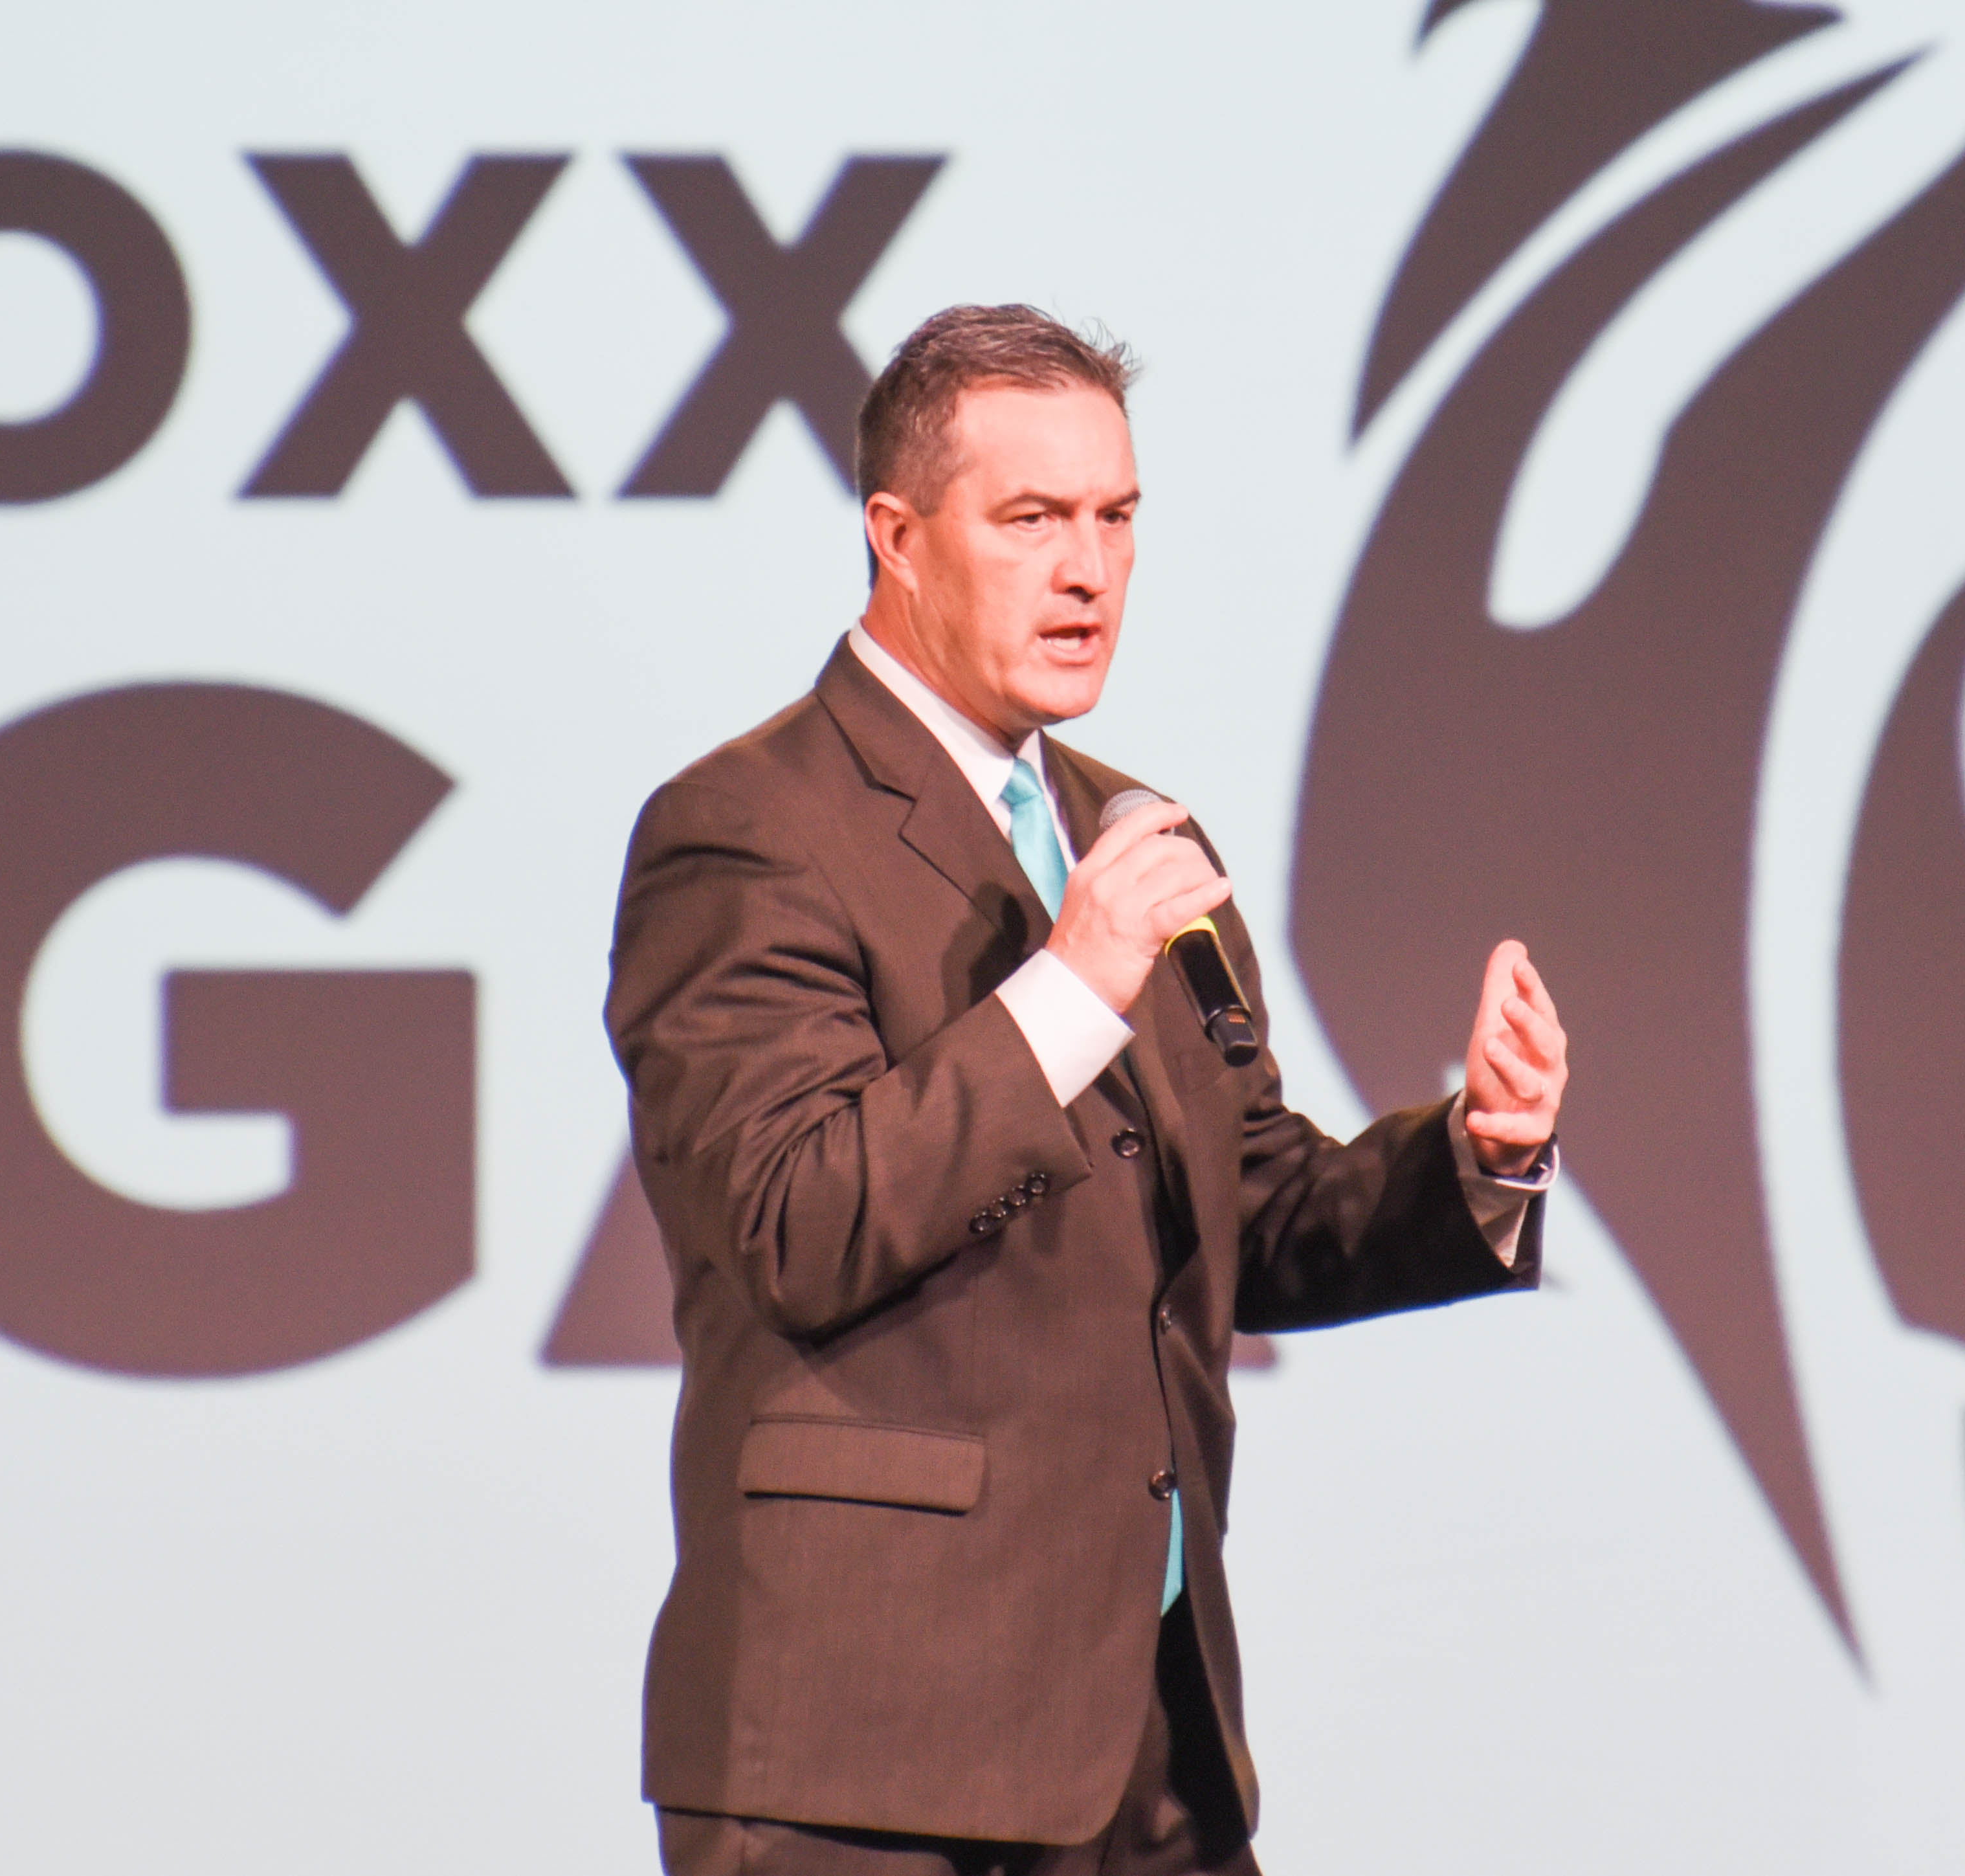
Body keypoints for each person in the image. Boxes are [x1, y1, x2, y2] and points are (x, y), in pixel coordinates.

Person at [605, 304, 1569, 1876]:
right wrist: (1063, 989)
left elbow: (1249, 1212)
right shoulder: (747, 830)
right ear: (896, 538)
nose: (1088, 571)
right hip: (865, 1761)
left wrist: (1481, 1153)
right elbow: (793, 1220)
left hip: (1145, 1743)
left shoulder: (1129, 832)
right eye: (1032, 520)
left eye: (1116, 518)